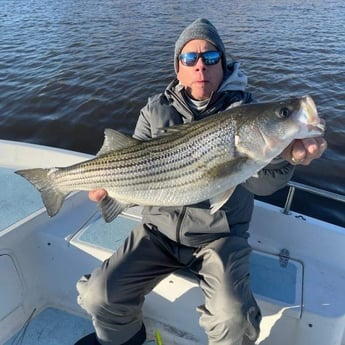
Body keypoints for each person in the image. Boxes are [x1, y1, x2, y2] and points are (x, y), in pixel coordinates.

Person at [75, 18, 327, 345]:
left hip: (219, 237)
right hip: (158, 232)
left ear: (222, 65)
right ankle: (124, 338)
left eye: (210, 58)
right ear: (177, 69)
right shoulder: (155, 110)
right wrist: (112, 189)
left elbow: (263, 184)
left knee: (234, 321)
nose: (200, 67)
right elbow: (130, 162)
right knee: (98, 295)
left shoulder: (244, 112)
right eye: (189, 59)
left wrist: (287, 156)